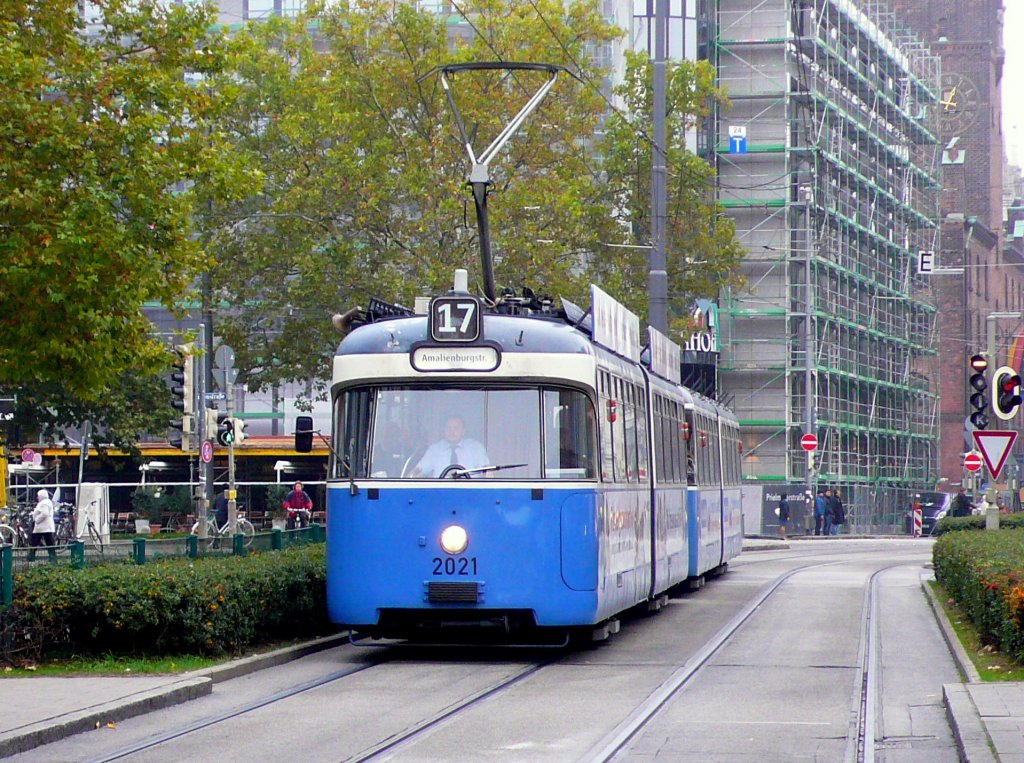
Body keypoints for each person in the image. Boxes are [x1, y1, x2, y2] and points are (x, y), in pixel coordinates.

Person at [413, 415, 490, 477]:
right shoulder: (435, 450)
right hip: (440, 493)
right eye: (448, 428)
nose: (451, 432)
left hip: (471, 494)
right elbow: (418, 472)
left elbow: (487, 473)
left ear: (463, 431)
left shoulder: (475, 448)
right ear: (444, 430)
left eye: (456, 428)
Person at [28, 489, 56, 562]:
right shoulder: (47, 502)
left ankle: (31, 557)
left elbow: (44, 513)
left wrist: (37, 520)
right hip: (46, 527)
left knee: (34, 542)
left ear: (41, 496)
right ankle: (52, 558)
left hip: (42, 527)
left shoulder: (43, 503)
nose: (37, 497)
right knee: (49, 543)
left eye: (38, 496)